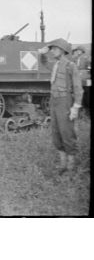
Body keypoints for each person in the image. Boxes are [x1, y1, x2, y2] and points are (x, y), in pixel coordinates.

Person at [41, 38, 83, 174]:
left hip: (65, 101)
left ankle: (71, 167)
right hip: (54, 101)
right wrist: (43, 52)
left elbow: (78, 88)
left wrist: (75, 107)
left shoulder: (70, 66)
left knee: (67, 132)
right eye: (52, 49)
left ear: (62, 50)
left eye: (54, 49)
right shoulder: (55, 64)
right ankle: (63, 165)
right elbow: (43, 62)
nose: (52, 51)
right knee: (56, 132)